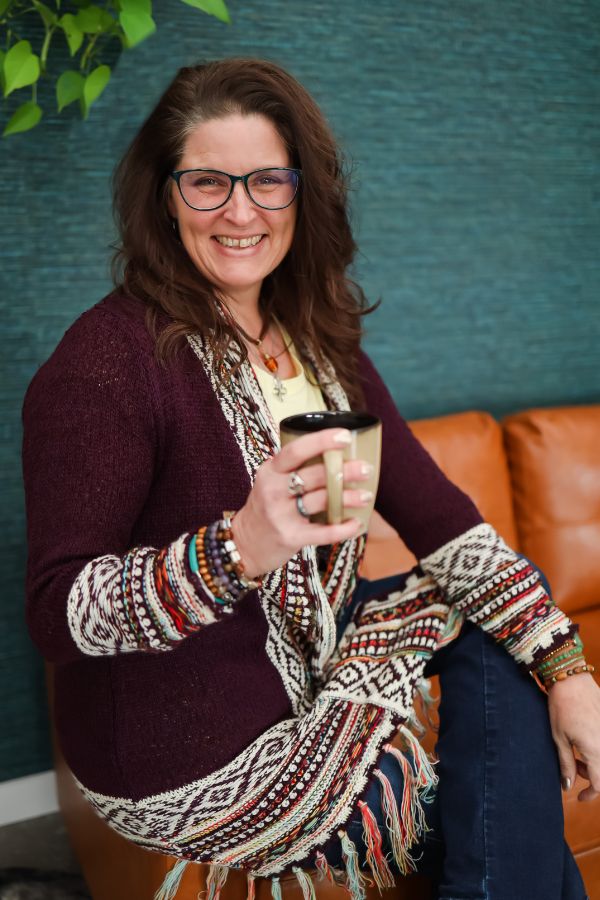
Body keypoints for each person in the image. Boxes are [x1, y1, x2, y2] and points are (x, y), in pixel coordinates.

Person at [22, 58, 600, 900]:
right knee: (518, 816)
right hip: (187, 747)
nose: (241, 211)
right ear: (163, 196)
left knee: (495, 609)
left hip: (314, 664)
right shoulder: (107, 364)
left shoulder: (320, 342)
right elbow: (57, 614)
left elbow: (445, 523)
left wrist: (571, 675)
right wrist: (238, 549)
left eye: (268, 181)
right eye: (207, 184)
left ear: (303, 194)